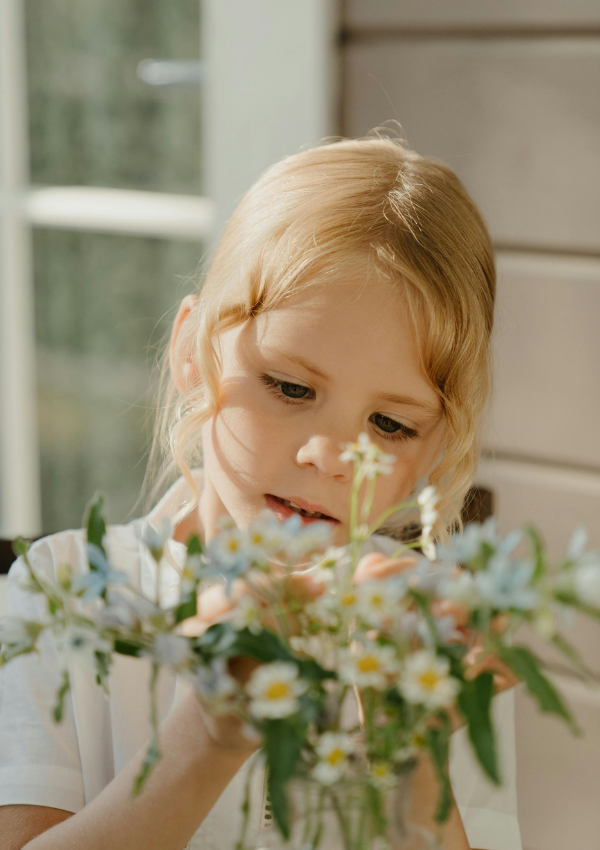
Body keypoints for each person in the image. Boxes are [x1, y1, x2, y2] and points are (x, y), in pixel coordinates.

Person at [0, 132, 522, 850]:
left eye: (390, 424)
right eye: (289, 386)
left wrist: (410, 762)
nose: (330, 456)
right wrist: (210, 736)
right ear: (192, 354)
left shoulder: (433, 641)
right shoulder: (60, 597)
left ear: (435, 447)